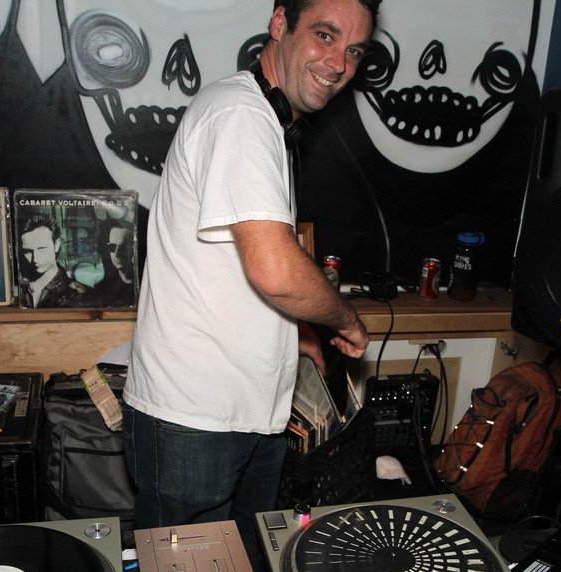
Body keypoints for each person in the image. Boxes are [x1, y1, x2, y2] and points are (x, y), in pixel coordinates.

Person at [122, 0, 379, 544]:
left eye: (354, 50)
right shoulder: (241, 114)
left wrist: (296, 332)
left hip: (244, 413)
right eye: (325, 35)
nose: (338, 63)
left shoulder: (261, 115)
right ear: (280, 23)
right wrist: (345, 320)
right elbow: (275, 271)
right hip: (196, 419)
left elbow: (231, 267)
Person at [18, 215, 89, 308]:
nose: (35, 259)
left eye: (42, 248)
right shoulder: (20, 289)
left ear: (56, 244)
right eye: (28, 251)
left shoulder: (76, 294)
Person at [85, 218, 137, 307]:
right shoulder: (102, 289)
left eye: (123, 248)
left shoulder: (142, 286)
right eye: (112, 247)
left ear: (133, 249)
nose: (116, 254)